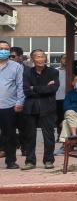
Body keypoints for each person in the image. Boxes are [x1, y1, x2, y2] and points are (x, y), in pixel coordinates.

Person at [22, 49, 59, 170]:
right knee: (29, 136)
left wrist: (34, 88)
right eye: (37, 57)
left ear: (45, 58)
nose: (40, 59)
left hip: (48, 107)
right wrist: (44, 88)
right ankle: (30, 161)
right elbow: (26, 90)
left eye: (42, 56)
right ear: (32, 59)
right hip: (30, 107)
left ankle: (48, 160)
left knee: (49, 135)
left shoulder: (53, 72)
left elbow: (53, 89)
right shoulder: (27, 72)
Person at [0, 41, 25, 169]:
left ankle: (10, 161)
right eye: (1, 48)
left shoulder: (16, 66)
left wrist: (19, 102)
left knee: (9, 135)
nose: (3, 51)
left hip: (9, 106)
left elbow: (20, 86)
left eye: (6, 49)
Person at [55, 54, 68, 136]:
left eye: (67, 58)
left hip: (69, 98)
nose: (66, 60)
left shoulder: (72, 71)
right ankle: (60, 135)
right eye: (64, 58)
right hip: (58, 97)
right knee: (59, 117)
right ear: (60, 59)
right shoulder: (55, 71)